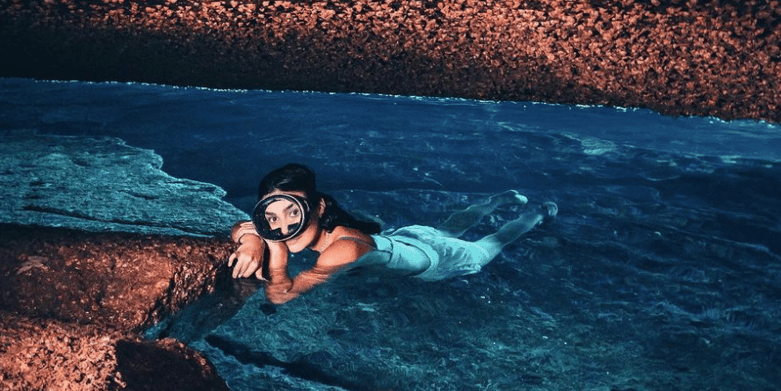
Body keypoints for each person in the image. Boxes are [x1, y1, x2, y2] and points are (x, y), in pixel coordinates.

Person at [229, 163, 556, 305]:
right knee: (449, 227)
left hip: (436, 261)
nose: (284, 226)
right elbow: (240, 226)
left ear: (320, 207)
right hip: (409, 237)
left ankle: (537, 213)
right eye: (270, 215)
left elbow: (280, 294)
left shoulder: (345, 248)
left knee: (493, 242)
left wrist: (274, 249)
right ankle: (497, 200)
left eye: (292, 211)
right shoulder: (329, 230)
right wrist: (253, 240)